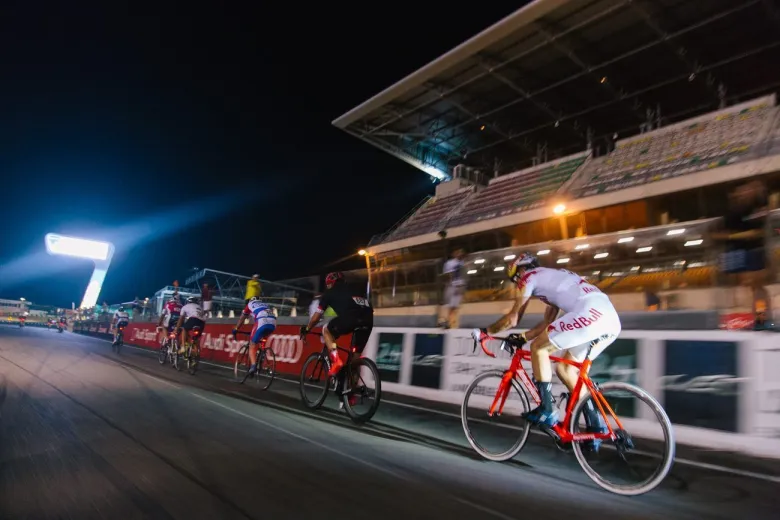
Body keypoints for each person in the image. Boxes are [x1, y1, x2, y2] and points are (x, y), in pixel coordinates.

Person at [471, 253, 622, 449]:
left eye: (516, 277)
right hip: (609, 318)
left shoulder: (530, 277)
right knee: (566, 370)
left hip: (590, 313)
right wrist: (523, 337)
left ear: (522, 270)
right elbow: (548, 326)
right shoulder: (554, 279)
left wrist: (485, 332)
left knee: (539, 348)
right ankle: (596, 426)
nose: (518, 283)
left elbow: (512, 319)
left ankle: (548, 410)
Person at [299, 272, 373, 377]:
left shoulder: (329, 292)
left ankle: (336, 359)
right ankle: (351, 389)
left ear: (330, 284)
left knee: (326, 330)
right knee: (355, 360)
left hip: (351, 318)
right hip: (368, 320)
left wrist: (307, 329)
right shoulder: (355, 289)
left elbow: (316, 317)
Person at [232, 296, 276, 375]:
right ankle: (262, 356)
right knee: (262, 340)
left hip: (262, 321)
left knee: (252, 344)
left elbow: (242, 318)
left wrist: (236, 328)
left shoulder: (249, 304)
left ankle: (253, 366)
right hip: (273, 322)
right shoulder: (265, 304)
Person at [441, 248, 466, 328]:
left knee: (455, 306)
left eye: (461, 252)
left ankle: (452, 321)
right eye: (458, 252)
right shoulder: (449, 263)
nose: (460, 254)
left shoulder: (462, 262)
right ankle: (446, 321)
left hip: (460, 286)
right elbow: (447, 275)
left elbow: (463, 275)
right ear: (454, 254)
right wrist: (451, 284)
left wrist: (461, 286)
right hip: (452, 286)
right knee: (449, 305)